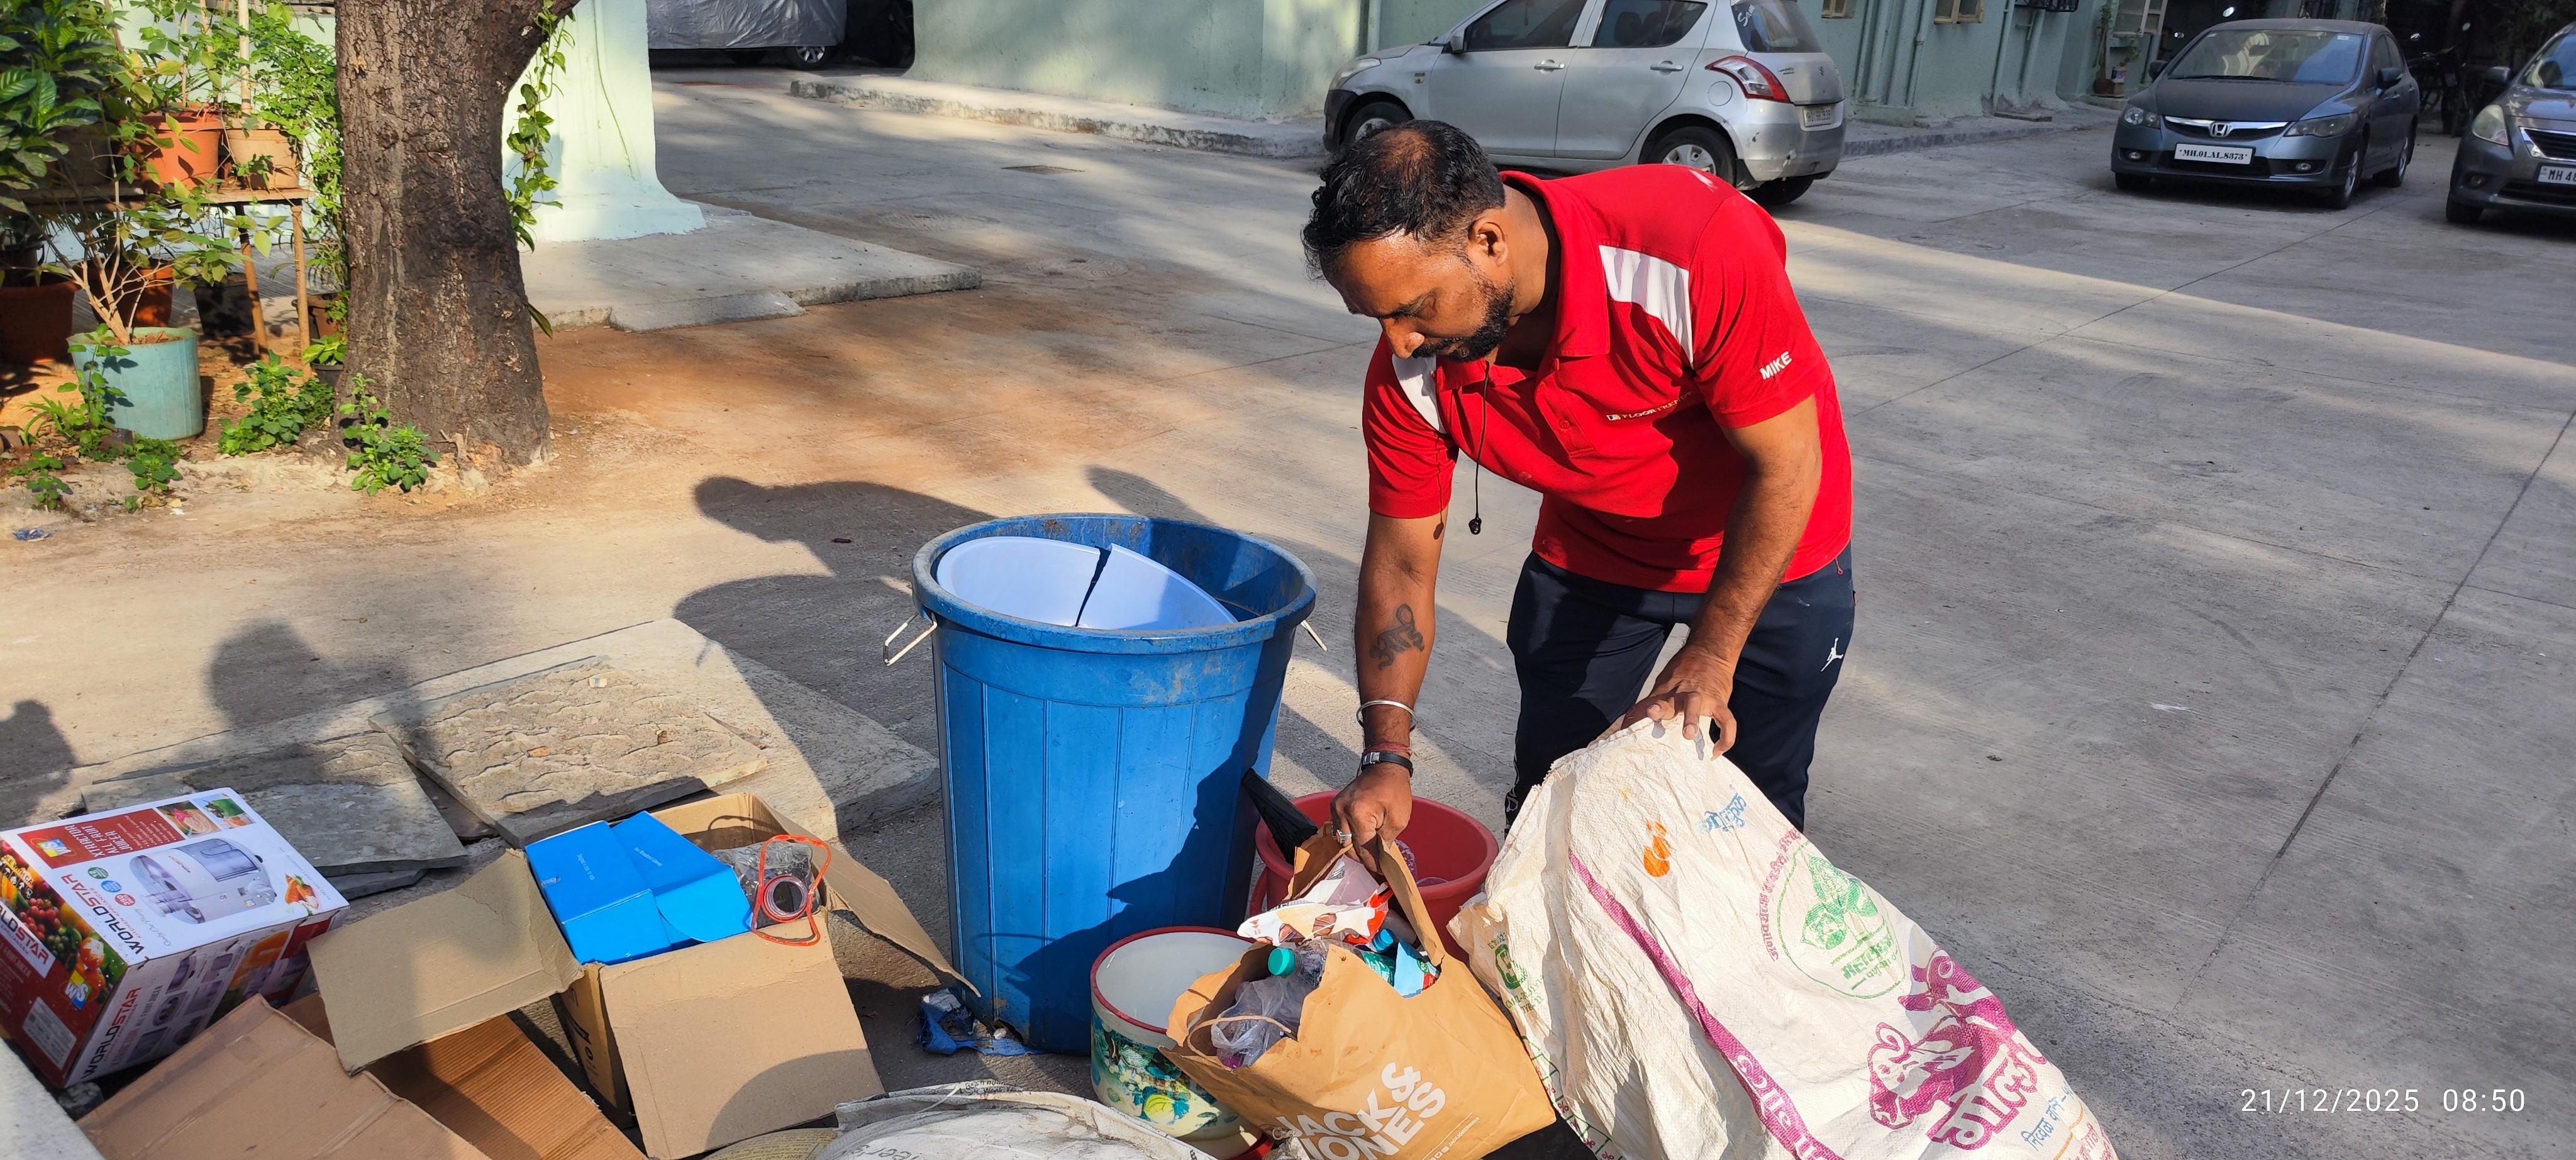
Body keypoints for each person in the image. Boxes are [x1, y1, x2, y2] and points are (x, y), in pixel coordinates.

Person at [1316, 121, 1856, 851]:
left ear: (1488, 241)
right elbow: (1402, 563)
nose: (1398, 342)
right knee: (1555, 801)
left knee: (1747, 816)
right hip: (1595, 550)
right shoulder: (1412, 372)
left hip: (1771, 549)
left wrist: (1712, 654)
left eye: (1412, 307)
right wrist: (1386, 755)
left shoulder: (1690, 246)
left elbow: (1787, 464)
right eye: (1376, 317)